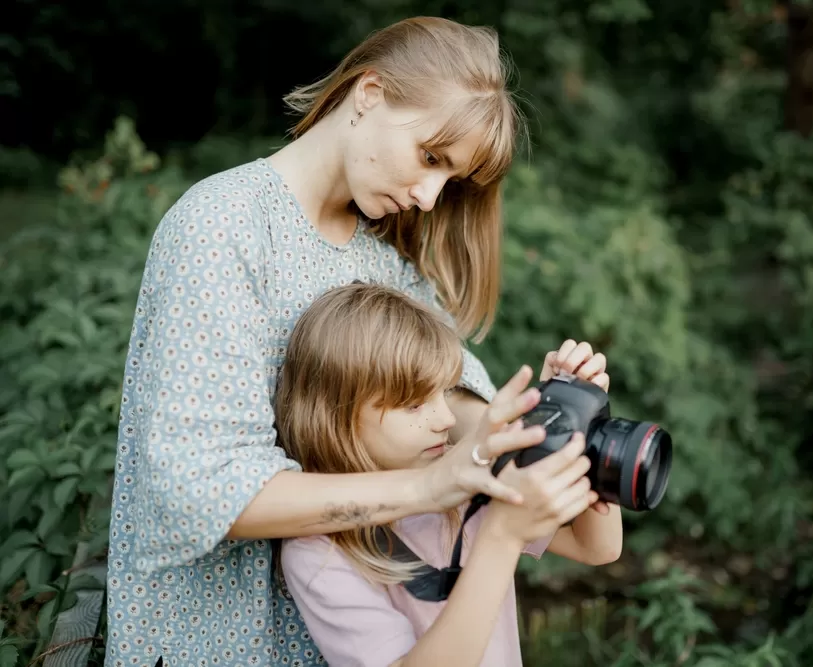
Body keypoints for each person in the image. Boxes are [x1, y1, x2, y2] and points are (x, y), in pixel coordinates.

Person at [103, 15, 600, 667]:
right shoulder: (220, 227)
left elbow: (456, 405)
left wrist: (557, 423)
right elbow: (204, 489)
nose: (428, 196)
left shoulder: (384, 262)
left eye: (451, 181)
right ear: (369, 94)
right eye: (430, 157)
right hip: (220, 640)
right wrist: (432, 487)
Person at [275, 283, 623, 667]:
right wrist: (502, 535)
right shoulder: (317, 552)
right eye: (413, 405)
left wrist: (582, 423)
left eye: (445, 393)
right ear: (335, 417)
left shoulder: (467, 477)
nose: (447, 419)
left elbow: (596, 548)